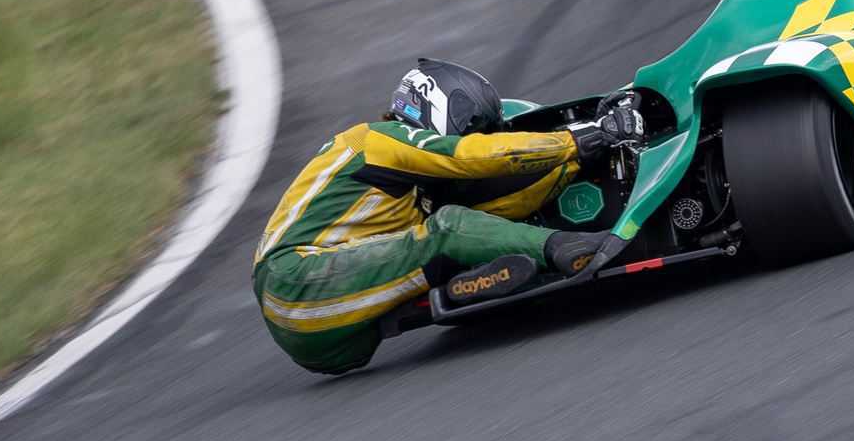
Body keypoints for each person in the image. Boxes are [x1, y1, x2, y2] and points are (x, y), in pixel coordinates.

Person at [252, 59, 642, 374]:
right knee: (444, 230)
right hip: (294, 281)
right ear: (447, 108)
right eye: (479, 127)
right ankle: (568, 249)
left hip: (334, 344)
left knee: (445, 233)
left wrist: (578, 162)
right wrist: (582, 138)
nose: (481, 136)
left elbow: (494, 212)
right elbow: (476, 158)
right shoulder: (377, 139)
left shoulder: (404, 185)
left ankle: (463, 284)